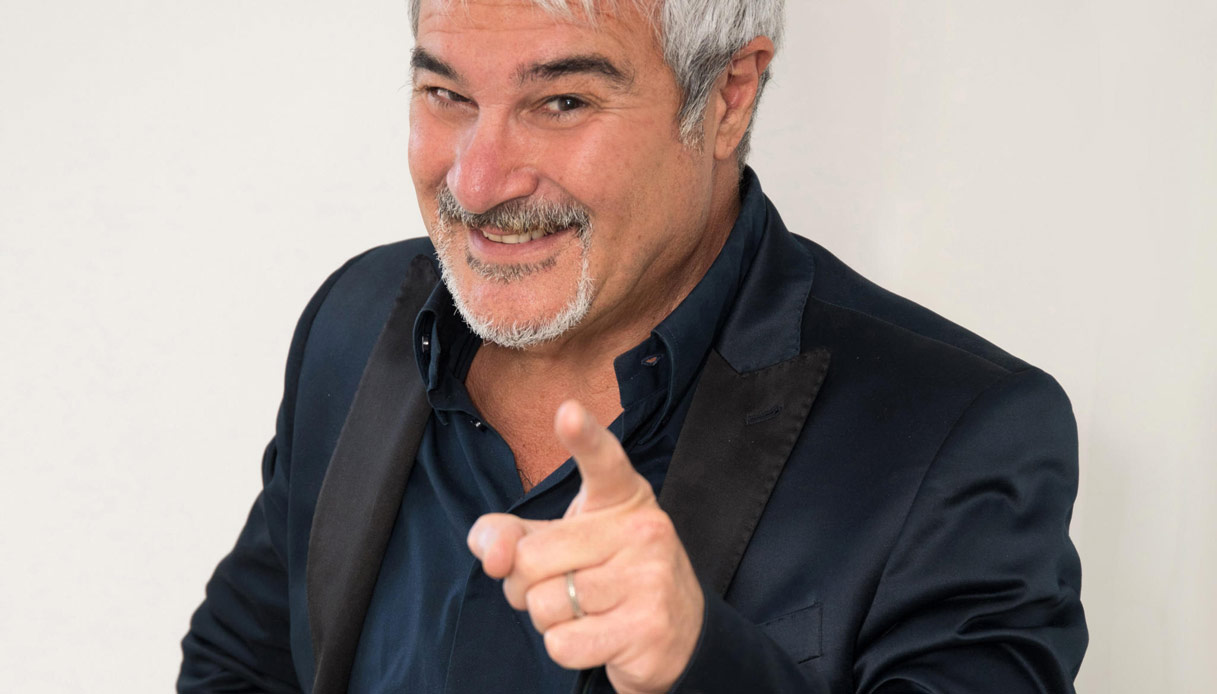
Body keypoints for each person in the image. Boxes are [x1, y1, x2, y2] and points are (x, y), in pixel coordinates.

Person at [179, 0, 1088, 692]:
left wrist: (699, 660)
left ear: (728, 95)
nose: (478, 182)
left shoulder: (960, 432)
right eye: (446, 95)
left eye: (561, 101)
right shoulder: (356, 316)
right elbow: (242, 666)